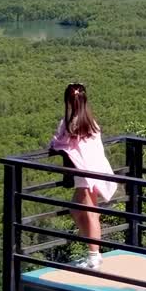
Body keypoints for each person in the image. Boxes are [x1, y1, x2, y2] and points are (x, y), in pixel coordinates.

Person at [49, 83, 117, 270]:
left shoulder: (69, 123)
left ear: (69, 101)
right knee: (78, 210)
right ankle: (93, 251)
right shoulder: (91, 122)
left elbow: (58, 143)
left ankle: (94, 255)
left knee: (89, 213)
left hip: (84, 173)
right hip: (96, 170)